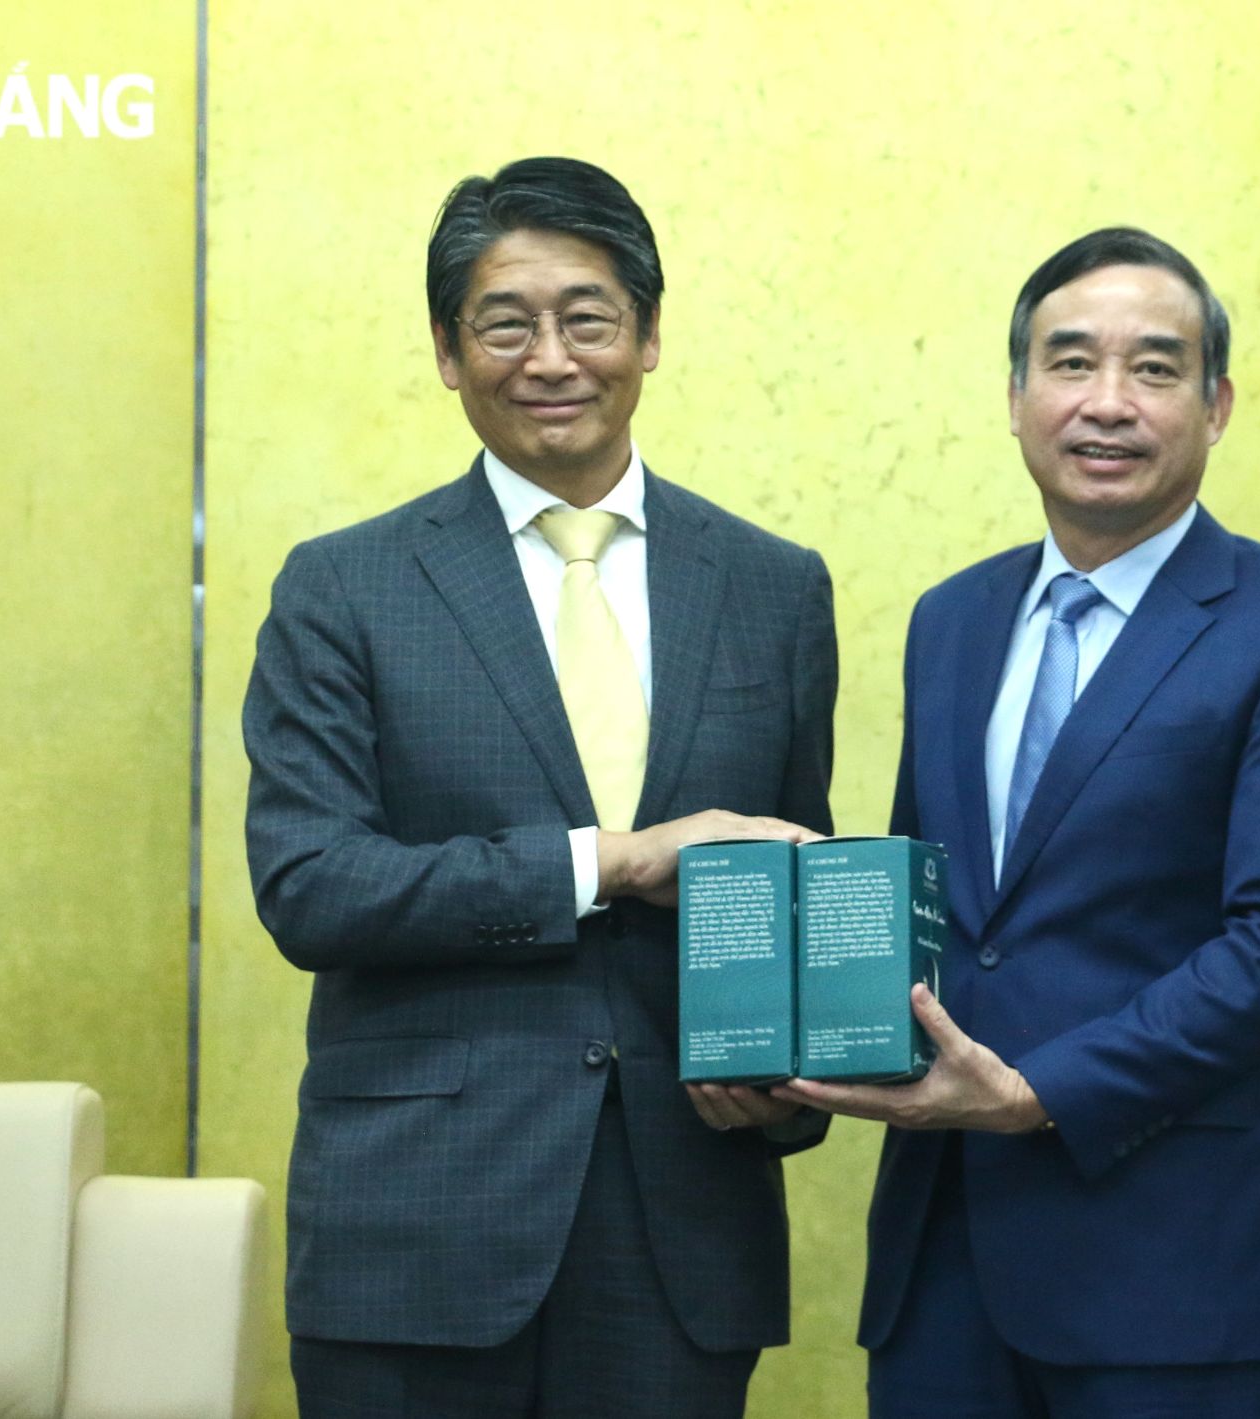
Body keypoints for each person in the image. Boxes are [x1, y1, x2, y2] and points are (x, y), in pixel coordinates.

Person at [244, 156, 837, 1419]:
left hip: (681, 1218)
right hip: (416, 1227)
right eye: (505, 322)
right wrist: (610, 861)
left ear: (650, 336)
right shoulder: (342, 588)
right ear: (450, 353)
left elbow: (795, 874)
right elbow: (310, 887)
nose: (551, 357)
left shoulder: (775, 588)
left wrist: (788, 1082)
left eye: (589, 317)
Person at [778, 227, 1260, 1418]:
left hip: (1178, 1267)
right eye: (1069, 363)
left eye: (1153, 369)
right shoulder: (950, 618)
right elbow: (935, 910)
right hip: (941, 1261)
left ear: (1215, 407)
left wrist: (1036, 1091)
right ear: (1014, 399)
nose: (1106, 402)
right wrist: (790, 1034)